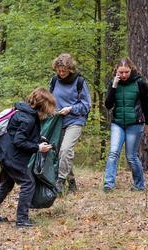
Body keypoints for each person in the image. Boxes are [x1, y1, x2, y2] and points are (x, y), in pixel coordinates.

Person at [0, 87, 56, 227]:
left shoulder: (24, 112)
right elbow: (19, 141)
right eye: (50, 106)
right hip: (11, 155)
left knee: (6, 184)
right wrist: (38, 147)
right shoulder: (29, 118)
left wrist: (38, 138)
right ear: (43, 104)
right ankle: (22, 220)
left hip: (3, 151)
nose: (50, 110)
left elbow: (18, 132)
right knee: (28, 183)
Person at [103, 58, 148, 192]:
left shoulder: (140, 83)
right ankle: (108, 184)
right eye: (121, 72)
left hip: (135, 124)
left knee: (131, 156)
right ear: (116, 71)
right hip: (117, 123)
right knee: (113, 153)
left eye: (126, 72)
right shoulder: (114, 83)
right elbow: (108, 105)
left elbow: (146, 105)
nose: (123, 75)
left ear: (131, 70)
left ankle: (139, 185)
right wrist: (114, 86)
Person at [49, 53, 91, 195]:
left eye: (64, 71)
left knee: (65, 150)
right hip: (58, 120)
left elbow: (86, 106)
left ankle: (60, 182)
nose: (61, 73)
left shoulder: (79, 82)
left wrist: (71, 108)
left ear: (70, 69)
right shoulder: (54, 80)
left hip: (75, 120)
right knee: (60, 154)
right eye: (59, 70)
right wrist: (51, 110)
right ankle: (72, 182)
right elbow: (50, 99)